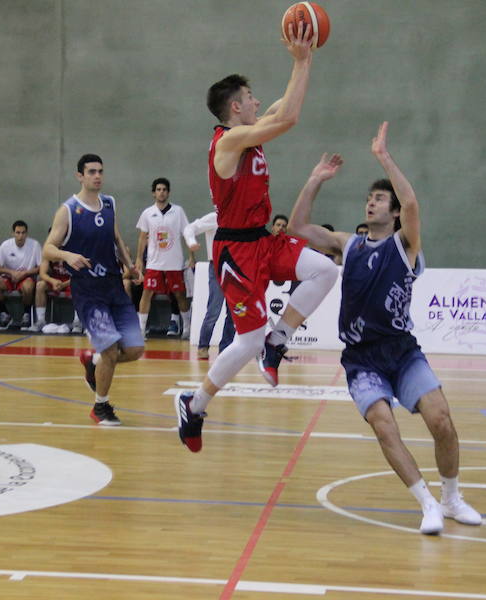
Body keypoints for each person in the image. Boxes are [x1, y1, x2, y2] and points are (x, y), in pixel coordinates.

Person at [287, 122, 481, 535]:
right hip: (361, 358)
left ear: (393, 213)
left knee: (442, 421)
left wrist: (384, 158)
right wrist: (314, 180)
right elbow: (298, 227)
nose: (371, 203)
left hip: (401, 350)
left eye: (379, 199)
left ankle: (451, 498)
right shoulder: (350, 245)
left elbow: (411, 205)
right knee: (383, 423)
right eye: (369, 198)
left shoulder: (405, 244)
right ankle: (426, 503)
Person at [174, 24, 339, 453]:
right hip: (235, 251)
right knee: (245, 339)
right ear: (235, 106)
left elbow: (286, 103)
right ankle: (195, 403)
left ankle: (278, 340)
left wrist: (307, 56)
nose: (258, 102)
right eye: (250, 98)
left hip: (263, 239)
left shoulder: (249, 131)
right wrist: (300, 62)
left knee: (324, 269)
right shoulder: (229, 142)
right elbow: (288, 117)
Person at [43, 154, 144, 425]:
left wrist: (129, 265)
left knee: (134, 349)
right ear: (80, 176)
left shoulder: (109, 203)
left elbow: (116, 237)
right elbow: (48, 247)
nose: (97, 176)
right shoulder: (68, 210)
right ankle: (100, 407)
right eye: (91, 172)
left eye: (100, 171)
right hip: (88, 291)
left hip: (113, 286)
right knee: (111, 348)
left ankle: (93, 363)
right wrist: (67, 256)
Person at [135, 178, 194, 339]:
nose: (161, 192)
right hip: (154, 263)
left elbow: (187, 233)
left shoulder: (178, 211)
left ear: (168, 192)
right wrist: (139, 259)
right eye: (158, 189)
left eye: (164, 189)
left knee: (180, 295)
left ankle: (187, 328)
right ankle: (140, 330)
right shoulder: (148, 213)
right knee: (146, 293)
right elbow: (142, 237)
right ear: (154, 193)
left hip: (174, 263)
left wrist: (191, 256)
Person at [183, 211, 235, 360]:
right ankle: (203, 345)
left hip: (236, 267)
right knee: (214, 309)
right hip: (218, 266)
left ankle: (226, 347)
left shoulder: (240, 218)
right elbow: (189, 228)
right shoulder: (214, 217)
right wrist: (191, 242)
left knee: (233, 312)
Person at [0, 220, 41, 330]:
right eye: (18, 233)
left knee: (28, 287)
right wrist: (11, 272)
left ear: (26, 234)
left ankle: (26, 315)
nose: (20, 236)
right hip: (9, 277)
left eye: (23, 233)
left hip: (26, 277)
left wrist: (24, 273)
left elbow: (41, 267)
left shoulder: (35, 245)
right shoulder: (6, 245)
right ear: (13, 233)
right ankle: (5, 315)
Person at [27, 255, 71, 333]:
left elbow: (79, 275)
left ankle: (78, 322)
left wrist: (63, 285)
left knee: (79, 286)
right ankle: (41, 320)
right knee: (40, 285)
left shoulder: (75, 250)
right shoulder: (49, 251)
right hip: (55, 280)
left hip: (70, 281)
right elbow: (42, 273)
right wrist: (52, 281)